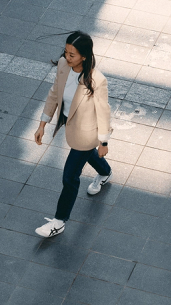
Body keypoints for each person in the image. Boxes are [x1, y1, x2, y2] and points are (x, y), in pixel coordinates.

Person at [33, 31, 112, 238]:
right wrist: (42, 124)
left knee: (70, 176)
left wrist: (103, 142)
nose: (66, 57)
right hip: (69, 123)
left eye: (72, 55)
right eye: (66, 52)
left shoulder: (97, 80)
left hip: (86, 132)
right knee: (85, 154)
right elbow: (54, 94)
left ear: (84, 56)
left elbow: (103, 112)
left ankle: (59, 221)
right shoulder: (62, 65)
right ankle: (105, 171)